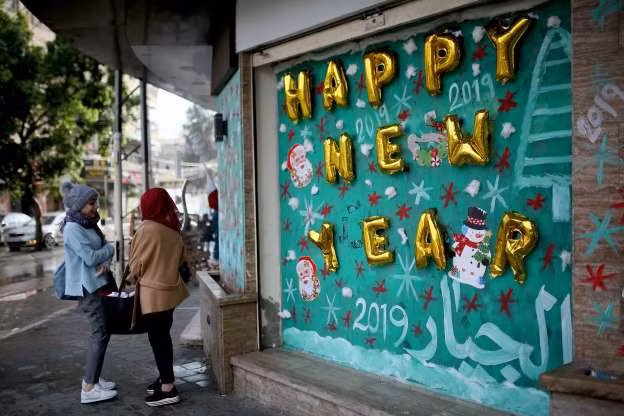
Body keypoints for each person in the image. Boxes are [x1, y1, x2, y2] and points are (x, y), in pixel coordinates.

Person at [127, 188, 189, 407]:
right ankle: (164, 378)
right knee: (164, 337)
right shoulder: (173, 229)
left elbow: (135, 267)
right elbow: (182, 259)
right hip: (170, 294)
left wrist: (131, 277)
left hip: (152, 295)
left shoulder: (146, 229)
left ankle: (168, 389)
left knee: (158, 340)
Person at [60, 182, 117, 404]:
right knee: (99, 333)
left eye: (96, 202)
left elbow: (101, 250)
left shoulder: (89, 224)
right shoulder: (73, 228)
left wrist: (107, 257)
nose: (96, 206)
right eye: (91, 203)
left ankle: (93, 378)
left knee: (103, 332)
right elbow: (91, 257)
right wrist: (110, 249)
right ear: (79, 205)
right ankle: (89, 388)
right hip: (87, 287)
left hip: (99, 283)